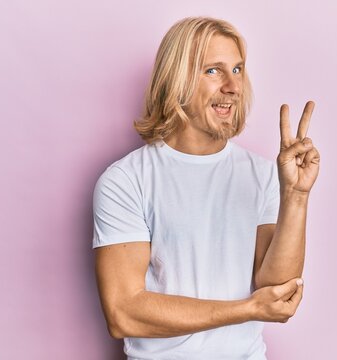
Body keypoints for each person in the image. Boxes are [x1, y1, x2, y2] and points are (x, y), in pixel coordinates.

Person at [92, 16, 320, 360]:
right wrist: (246, 309)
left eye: (238, 69)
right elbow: (124, 312)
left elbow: (276, 293)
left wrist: (297, 196)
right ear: (177, 78)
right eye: (214, 70)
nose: (233, 86)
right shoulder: (125, 180)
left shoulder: (264, 174)